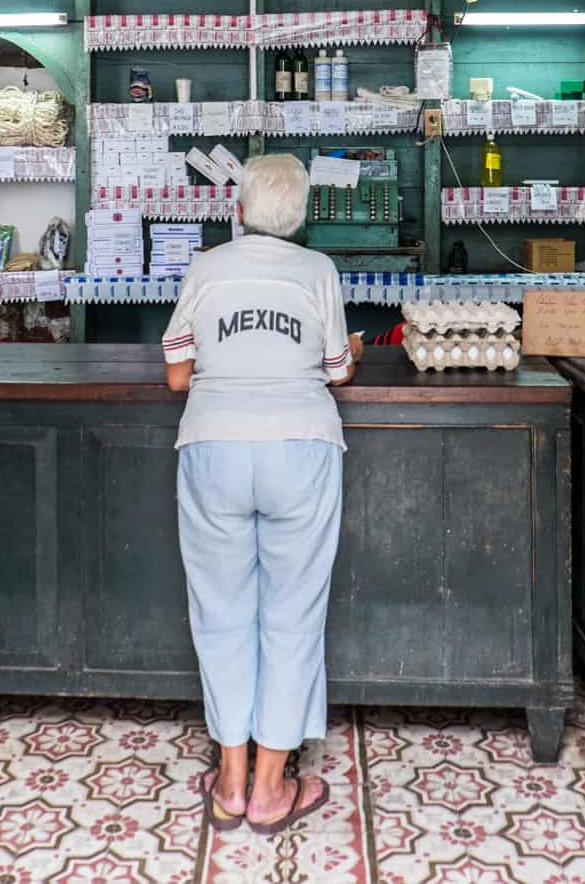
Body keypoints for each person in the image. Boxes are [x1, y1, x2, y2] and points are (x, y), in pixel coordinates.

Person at [161, 153, 363, 837]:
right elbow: (337, 371)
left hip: (213, 447)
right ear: (302, 219)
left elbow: (177, 376)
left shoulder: (206, 267)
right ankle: (274, 789)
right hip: (301, 450)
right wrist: (351, 353)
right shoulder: (318, 273)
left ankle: (230, 782)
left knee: (220, 612)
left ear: (238, 211)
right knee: (292, 616)